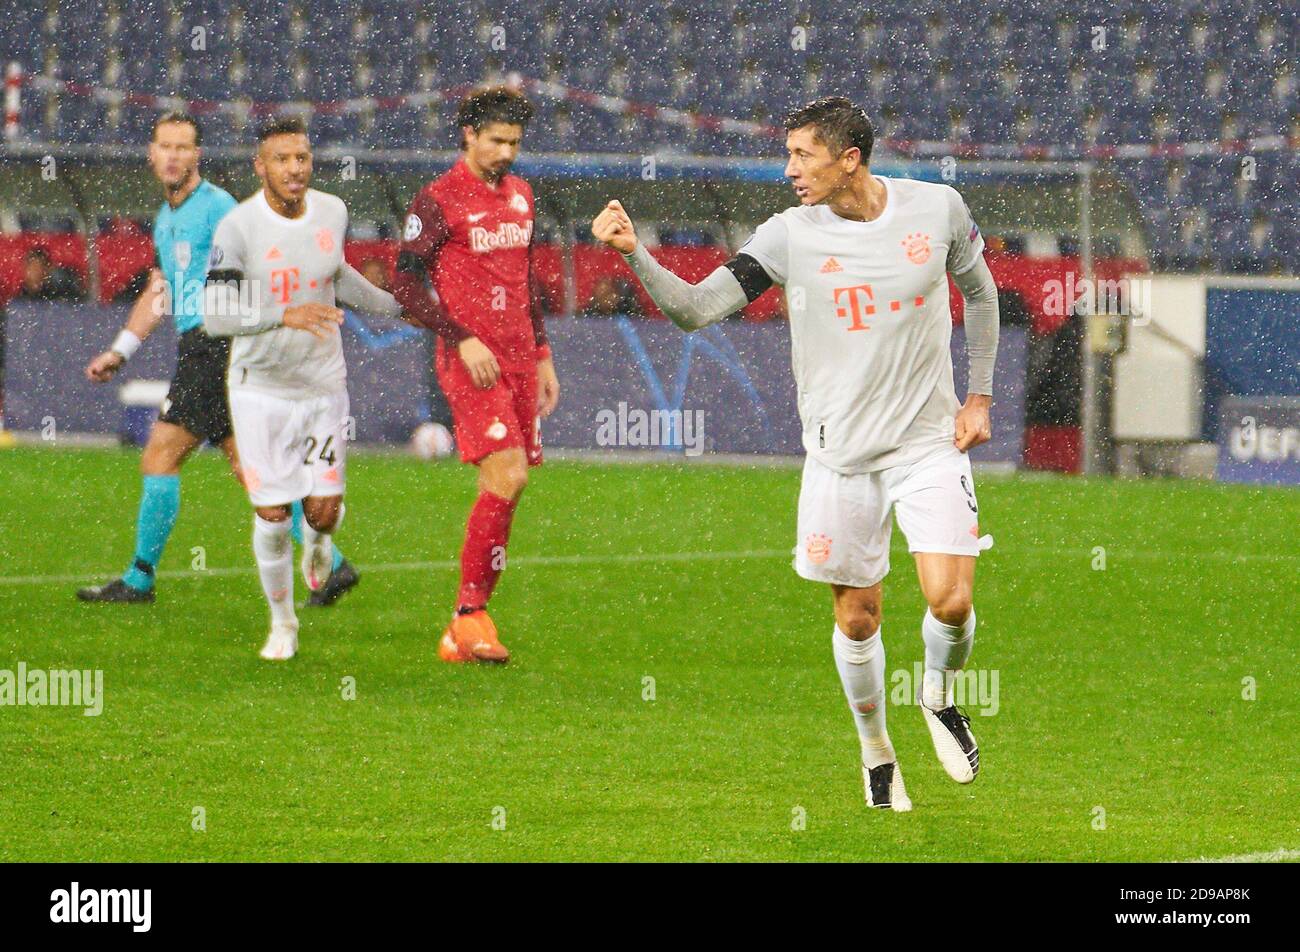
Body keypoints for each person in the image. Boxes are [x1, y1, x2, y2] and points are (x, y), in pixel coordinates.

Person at [592, 97, 1000, 811]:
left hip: (927, 442)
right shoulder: (788, 237)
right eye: (788, 155)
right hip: (839, 456)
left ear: (850, 159)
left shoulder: (936, 212)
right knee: (858, 620)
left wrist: (981, 396)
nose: (790, 170)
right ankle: (876, 752)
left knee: (953, 600)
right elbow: (693, 309)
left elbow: (982, 291)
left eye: (803, 156)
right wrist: (636, 256)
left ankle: (937, 694)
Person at [78, 111, 360, 608]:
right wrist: (120, 351)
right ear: (151, 154)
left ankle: (139, 579)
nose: (173, 156)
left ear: (197, 156)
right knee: (250, 468)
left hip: (217, 346)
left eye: (183, 147)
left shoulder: (220, 209)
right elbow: (160, 289)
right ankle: (332, 563)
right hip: (205, 348)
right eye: (164, 146)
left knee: (161, 455)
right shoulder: (167, 219)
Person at [202, 117, 405, 660]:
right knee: (271, 512)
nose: (295, 168)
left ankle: (318, 541)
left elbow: (336, 274)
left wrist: (393, 305)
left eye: (303, 158)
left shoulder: (333, 211)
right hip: (259, 390)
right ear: (260, 166)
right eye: (283, 159)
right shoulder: (237, 228)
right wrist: (280, 315)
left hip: (321, 388)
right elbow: (215, 315)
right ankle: (283, 623)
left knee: (322, 512)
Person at [392, 86, 559, 664]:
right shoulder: (438, 200)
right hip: (472, 362)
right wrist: (459, 337)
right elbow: (405, 282)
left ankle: (459, 632)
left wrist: (542, 355)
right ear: (468, 135)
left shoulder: (522, 195)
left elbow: (526, 279)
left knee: (513, 483)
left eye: (514, 142)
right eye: (496, 141)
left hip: (517, 360)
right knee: (507, 475)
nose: (507, 152)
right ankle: (470, 616)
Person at [16, 247, 84, 302]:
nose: (34, 272)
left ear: (47, 270)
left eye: (37, 268)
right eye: (32, 268)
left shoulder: (58, 296)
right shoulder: (19, 299)